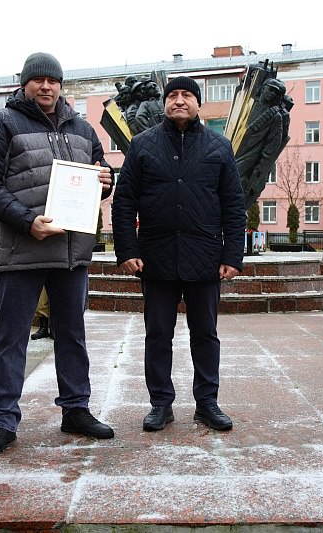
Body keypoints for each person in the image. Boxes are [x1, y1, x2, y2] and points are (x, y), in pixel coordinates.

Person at [0, 51, 115, 457]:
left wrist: (107, 180)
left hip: (72, 253)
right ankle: (2, 420)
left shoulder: (83, 129)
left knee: (72, 336)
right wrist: (26, 221)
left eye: (53, 80)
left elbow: (101, 179)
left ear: (61, 85)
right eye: (38, 80)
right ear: (25, 83)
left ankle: (76, 410)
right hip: (22, 250)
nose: (46, 86)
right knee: (11, 339)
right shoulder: (0, 123)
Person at [112, 76, 246, 432]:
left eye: (187, 95)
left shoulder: (219, 146)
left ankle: (207, 402)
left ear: (198, 103)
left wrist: (232, 255)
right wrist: (127, 249)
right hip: (156, 258)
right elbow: (124, 201)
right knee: (157, 335)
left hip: (204, 258)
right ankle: (160, 403)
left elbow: (234, 204)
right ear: (164, 102)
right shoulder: (142, 145)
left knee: (206, 334)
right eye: (173, 95)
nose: (180, 100)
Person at [236, 77, 288, 210]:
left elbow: (272, 146)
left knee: (237, 189)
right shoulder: (248, 105)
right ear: (263, 87)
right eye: (270, 89)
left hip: (249, 158)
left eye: (276, 93)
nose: (272, 94)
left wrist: (260, 169)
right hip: (233, 150)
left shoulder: (275, 117)